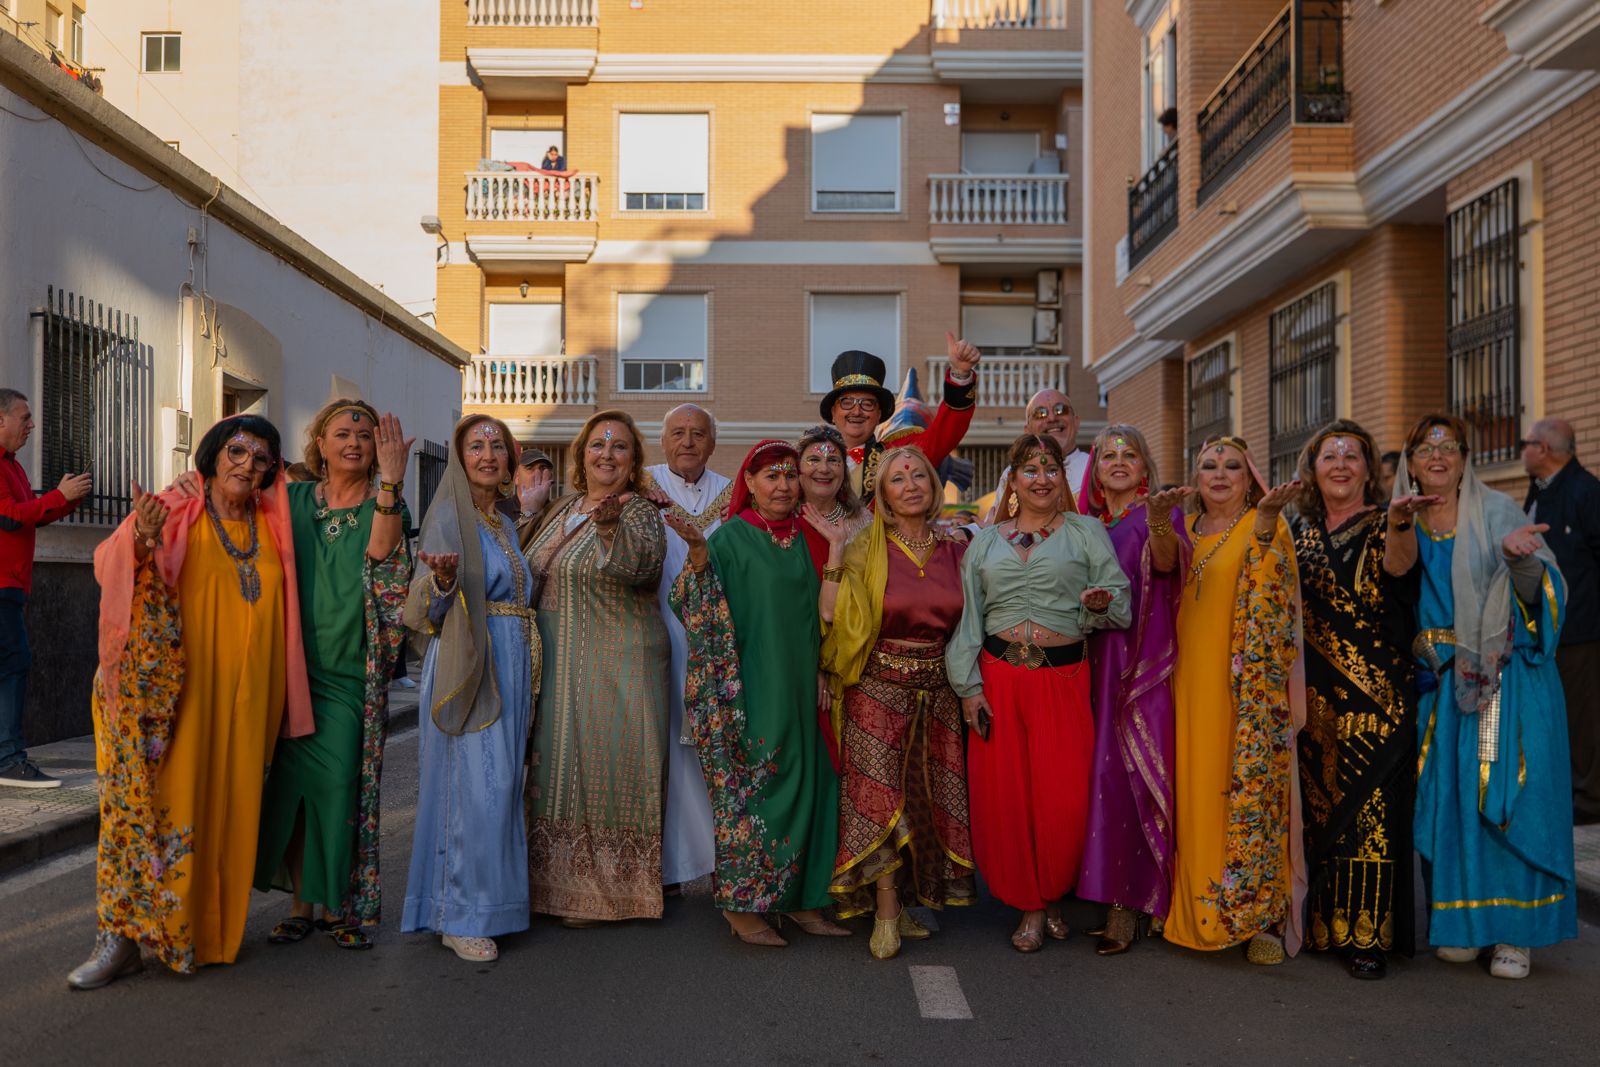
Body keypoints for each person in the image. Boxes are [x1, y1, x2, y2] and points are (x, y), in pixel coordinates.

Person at [69, 415, 311, 988]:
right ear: (212, 454)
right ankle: (120, 938)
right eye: (236, 450)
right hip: (176, 703)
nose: (247, 464)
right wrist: (142, 537)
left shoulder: (272, 522)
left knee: (225, 813)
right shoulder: (177, 507)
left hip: (247, 707)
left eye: (260, 458)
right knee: (149, 812)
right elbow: (109, 563)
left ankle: (202, 934)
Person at [1385, 414, 1575, 979]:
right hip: (1442, 692)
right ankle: (1466, 925)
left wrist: (1520, 561)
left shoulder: (1499, 514)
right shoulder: (1404, 523)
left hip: (1505, 685)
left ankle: (1516, 935)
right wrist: (1397, 527)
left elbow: (1538, 595)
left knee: (1507, 800)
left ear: (1466, 458)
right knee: (1452, 805)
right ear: (1410, 463)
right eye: (1425, 448)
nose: (1438, 456)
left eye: (1449, 447)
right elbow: (1394, 585)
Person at [947, 434, 1130, 952]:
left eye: (1051, 468)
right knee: (1005, 798)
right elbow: (969, 620)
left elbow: (1120, 606)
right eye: (1030, 469)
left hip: (1064, 680)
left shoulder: (1086, 532)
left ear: (1062, 477)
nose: (1042, 478)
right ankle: (1031, 906)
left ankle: (1050, 892)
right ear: (1014, 479)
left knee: (1062, 799)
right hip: (999, 679)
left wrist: (1095, 603)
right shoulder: (985, 541)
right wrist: (968, 688)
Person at [668, 440, 850, 946]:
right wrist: (701, 556)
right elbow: (688, 605)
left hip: (803, 684)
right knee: (756, 795)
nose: (784, 485)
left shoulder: (808, 536)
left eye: (791, 476)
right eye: (771, 476)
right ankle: (744, 908)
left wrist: (824, 669)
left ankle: (803, 900)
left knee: (812, 786)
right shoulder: (730, 538)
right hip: (750, 685)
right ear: (748, 483)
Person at [252, 400, 413, 950]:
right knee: (292, 791)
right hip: (290, 668)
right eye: (341, 433)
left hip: (348, 672)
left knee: (340, 785)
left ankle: (340, 905)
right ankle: (301, 905)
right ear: (318, 443)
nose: (354, 442)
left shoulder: (385, 505)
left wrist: (390, 482)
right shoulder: (289, 499)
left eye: (365, 436)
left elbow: (383, 550)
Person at [822, 446, 976, 961]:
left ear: (933, 485)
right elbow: (835, 618)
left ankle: (908, 900)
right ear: (882, 494)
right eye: (896, 479)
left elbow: (975, 622)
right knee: (879, 802)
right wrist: (837, 557)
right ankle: (885, 910)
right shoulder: (866, 546)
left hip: (940, 693)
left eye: (918, 476)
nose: (909, 485)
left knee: (925, 802)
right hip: (876, 690)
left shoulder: (959, 549)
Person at [1164, 434, 1306, 965]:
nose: (1219, 474)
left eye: (1232, 466)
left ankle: (1258, 916)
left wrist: (1267, 523)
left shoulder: (1266, 524)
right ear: (1195, 477)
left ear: (1249, 478)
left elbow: (1277, 602)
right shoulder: (1184, 530)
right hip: (1183, 682)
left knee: (1246, 793)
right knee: (1190, 790)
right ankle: (1186, 906)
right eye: (1208, 465)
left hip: (1242, 691)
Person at [401, 415, 538, 963]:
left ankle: (490, 905)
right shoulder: (450, 516)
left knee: (500, 789)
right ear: (460, 457)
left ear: (509, 459)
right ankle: (459, 914)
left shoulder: (500, 522)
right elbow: (422, 604)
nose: (488, 454)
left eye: (497, 446)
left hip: (509, 659)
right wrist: (441, 581)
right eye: (476, 446)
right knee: (472, 790)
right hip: (471, 658)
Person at [524, 410, 670, 924]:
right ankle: (552, 887)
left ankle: (608, 893)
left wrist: (610, 531)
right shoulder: (561, 508)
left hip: (618, 662)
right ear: (582, 455)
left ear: (634, 462)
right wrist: (528, 513)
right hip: (560, 665)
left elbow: (640, 569)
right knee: (557, 772)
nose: (606, 453)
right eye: (597, 444)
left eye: (620, 447)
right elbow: (525, 568)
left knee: (607, 772)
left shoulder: (639, 511)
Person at [1293, 420, 1417, 980]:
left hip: (1377, 703)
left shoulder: (1383, 523)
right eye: (1328, 456)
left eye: (1351, 455)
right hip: (1314, 702)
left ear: (1369, 469)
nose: (1340, 464)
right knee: (1319, 816)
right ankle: (1319, 924)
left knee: (1373, 818)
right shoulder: (1299, 532)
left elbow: (1398, 567)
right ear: (1312, 469)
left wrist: (1400, 522)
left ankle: (1367, 936)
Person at [1074, 425, 1189, 955]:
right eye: (1108, 455)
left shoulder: (1157, 517)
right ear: (1095, 471)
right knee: (1092, 780)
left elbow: (1167, 563)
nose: (1119, 462)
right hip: (1085, 664)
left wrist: (1161, 522)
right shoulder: (1084, 525)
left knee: (1127, 777)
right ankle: (1102, 894)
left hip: (1138, 665)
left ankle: (1132, 904)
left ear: (1145, 468)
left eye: (1130, 455)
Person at [644, 404, 731, 891]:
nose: (688, 441)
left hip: (714, 640)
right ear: (663, 441)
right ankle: (667, 868)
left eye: (698, 433)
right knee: (661, 748)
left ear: (712, 443)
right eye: (678, 432)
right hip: (656, 633)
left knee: (712, 748)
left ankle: (723, 859)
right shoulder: (641, 485)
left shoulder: (732, 493)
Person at [0, 388, 89, 789]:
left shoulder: (13, 467)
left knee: (12, 665)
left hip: (13, 585)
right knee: (14, 664)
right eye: (25, 417)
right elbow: (10, 518)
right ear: (1, 420)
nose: (32, 425)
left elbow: (28, 516)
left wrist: (66, 500)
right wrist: (57, 496)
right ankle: (8, 759)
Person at [1522, 417, 1600, 823]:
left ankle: (1589, 801)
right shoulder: (1540, 491)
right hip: (1549, 628)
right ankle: (1568, 791)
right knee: (1560, 714)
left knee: (1585, 717)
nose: (1522, 451)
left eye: (1526, 443)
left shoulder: (1586, 493)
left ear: (1544, 449)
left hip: (1582, 629)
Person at [823, 332, 980, 500]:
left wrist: (959, 374)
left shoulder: (899, 453)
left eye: (867, 404)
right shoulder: (809, 459)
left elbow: (945, 433)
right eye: (847, 402)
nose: (856, 411)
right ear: (833, 412)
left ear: (879, 414)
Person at [981, 390, 1091, 524]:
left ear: (1076, 422)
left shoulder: (1095, 468)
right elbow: (993, 524)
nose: (1052, 418)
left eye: (1060, 410)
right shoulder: (1014, 473)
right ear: (1027, 430)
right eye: (1040, 413)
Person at [797, 423, 871, 553]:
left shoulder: (865, 521)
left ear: (844, 470)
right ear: (798, 468)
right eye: (814, 459)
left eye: (832, 460)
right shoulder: (782, 515)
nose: (824, 469)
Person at [497, 445, 556, 525]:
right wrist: (528, 512)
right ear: (517, 477)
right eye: (530, 468)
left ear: (550, 477)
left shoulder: (558, 512)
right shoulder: (499, 511)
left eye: (543, 468)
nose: (537, 473)